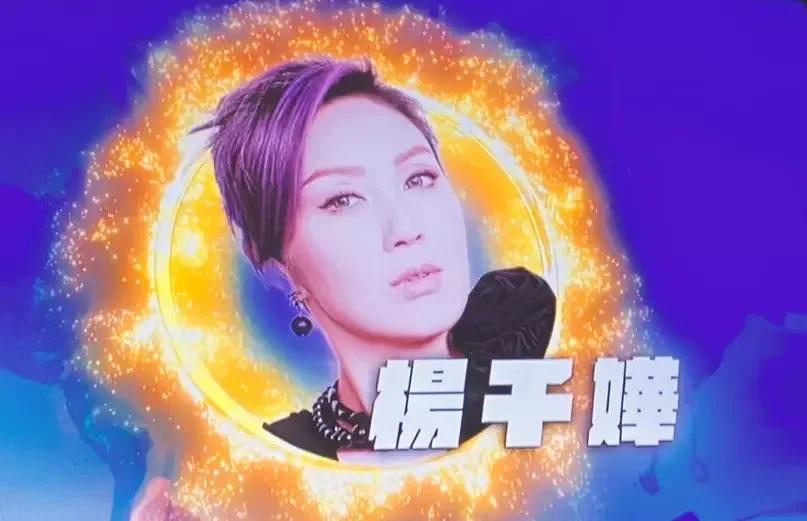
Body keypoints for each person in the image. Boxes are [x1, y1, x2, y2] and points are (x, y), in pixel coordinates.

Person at [192, 56, 558, 464]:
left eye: (418, 178)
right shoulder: (279, 464)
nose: (406, 228)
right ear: (282, 264)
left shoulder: (535, 341)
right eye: (342, 200)